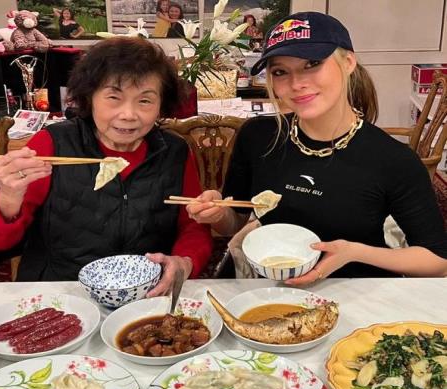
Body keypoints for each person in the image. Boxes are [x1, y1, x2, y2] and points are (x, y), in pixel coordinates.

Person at [187, 11, 447, 283]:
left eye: (312, 64)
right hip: (274, 286)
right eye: (280, 72)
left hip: (355, 289)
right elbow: (236, 222)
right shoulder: (258, 136)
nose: (297, 84)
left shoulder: (393, 160)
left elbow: (438, 261)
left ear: (348, 62)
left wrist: (354, 252)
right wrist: (218, 214)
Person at [0, 37, 213, 296]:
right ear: (90, 97)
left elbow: (193, 226)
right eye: (113, 97)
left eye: (145, 101)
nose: (128, 114)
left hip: (145, 292)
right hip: (63, 291)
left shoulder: (174, 151)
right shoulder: (52, 144)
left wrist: (185, 261)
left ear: (161, 105)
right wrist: (9, 197)